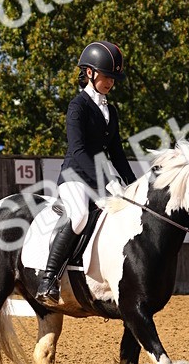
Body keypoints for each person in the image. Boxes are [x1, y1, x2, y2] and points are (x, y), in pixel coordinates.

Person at [36, 40, 137, 305]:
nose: (110, 82)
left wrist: (132, 186)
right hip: (75, 177)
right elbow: (78, 150)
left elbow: (116, 153)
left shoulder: (110, 111)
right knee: (79, 216)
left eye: (113, 78)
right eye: (106, 76)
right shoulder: (77, 106)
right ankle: (48, 280)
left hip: (101, 180)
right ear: (90, 73)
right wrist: (106, 181)